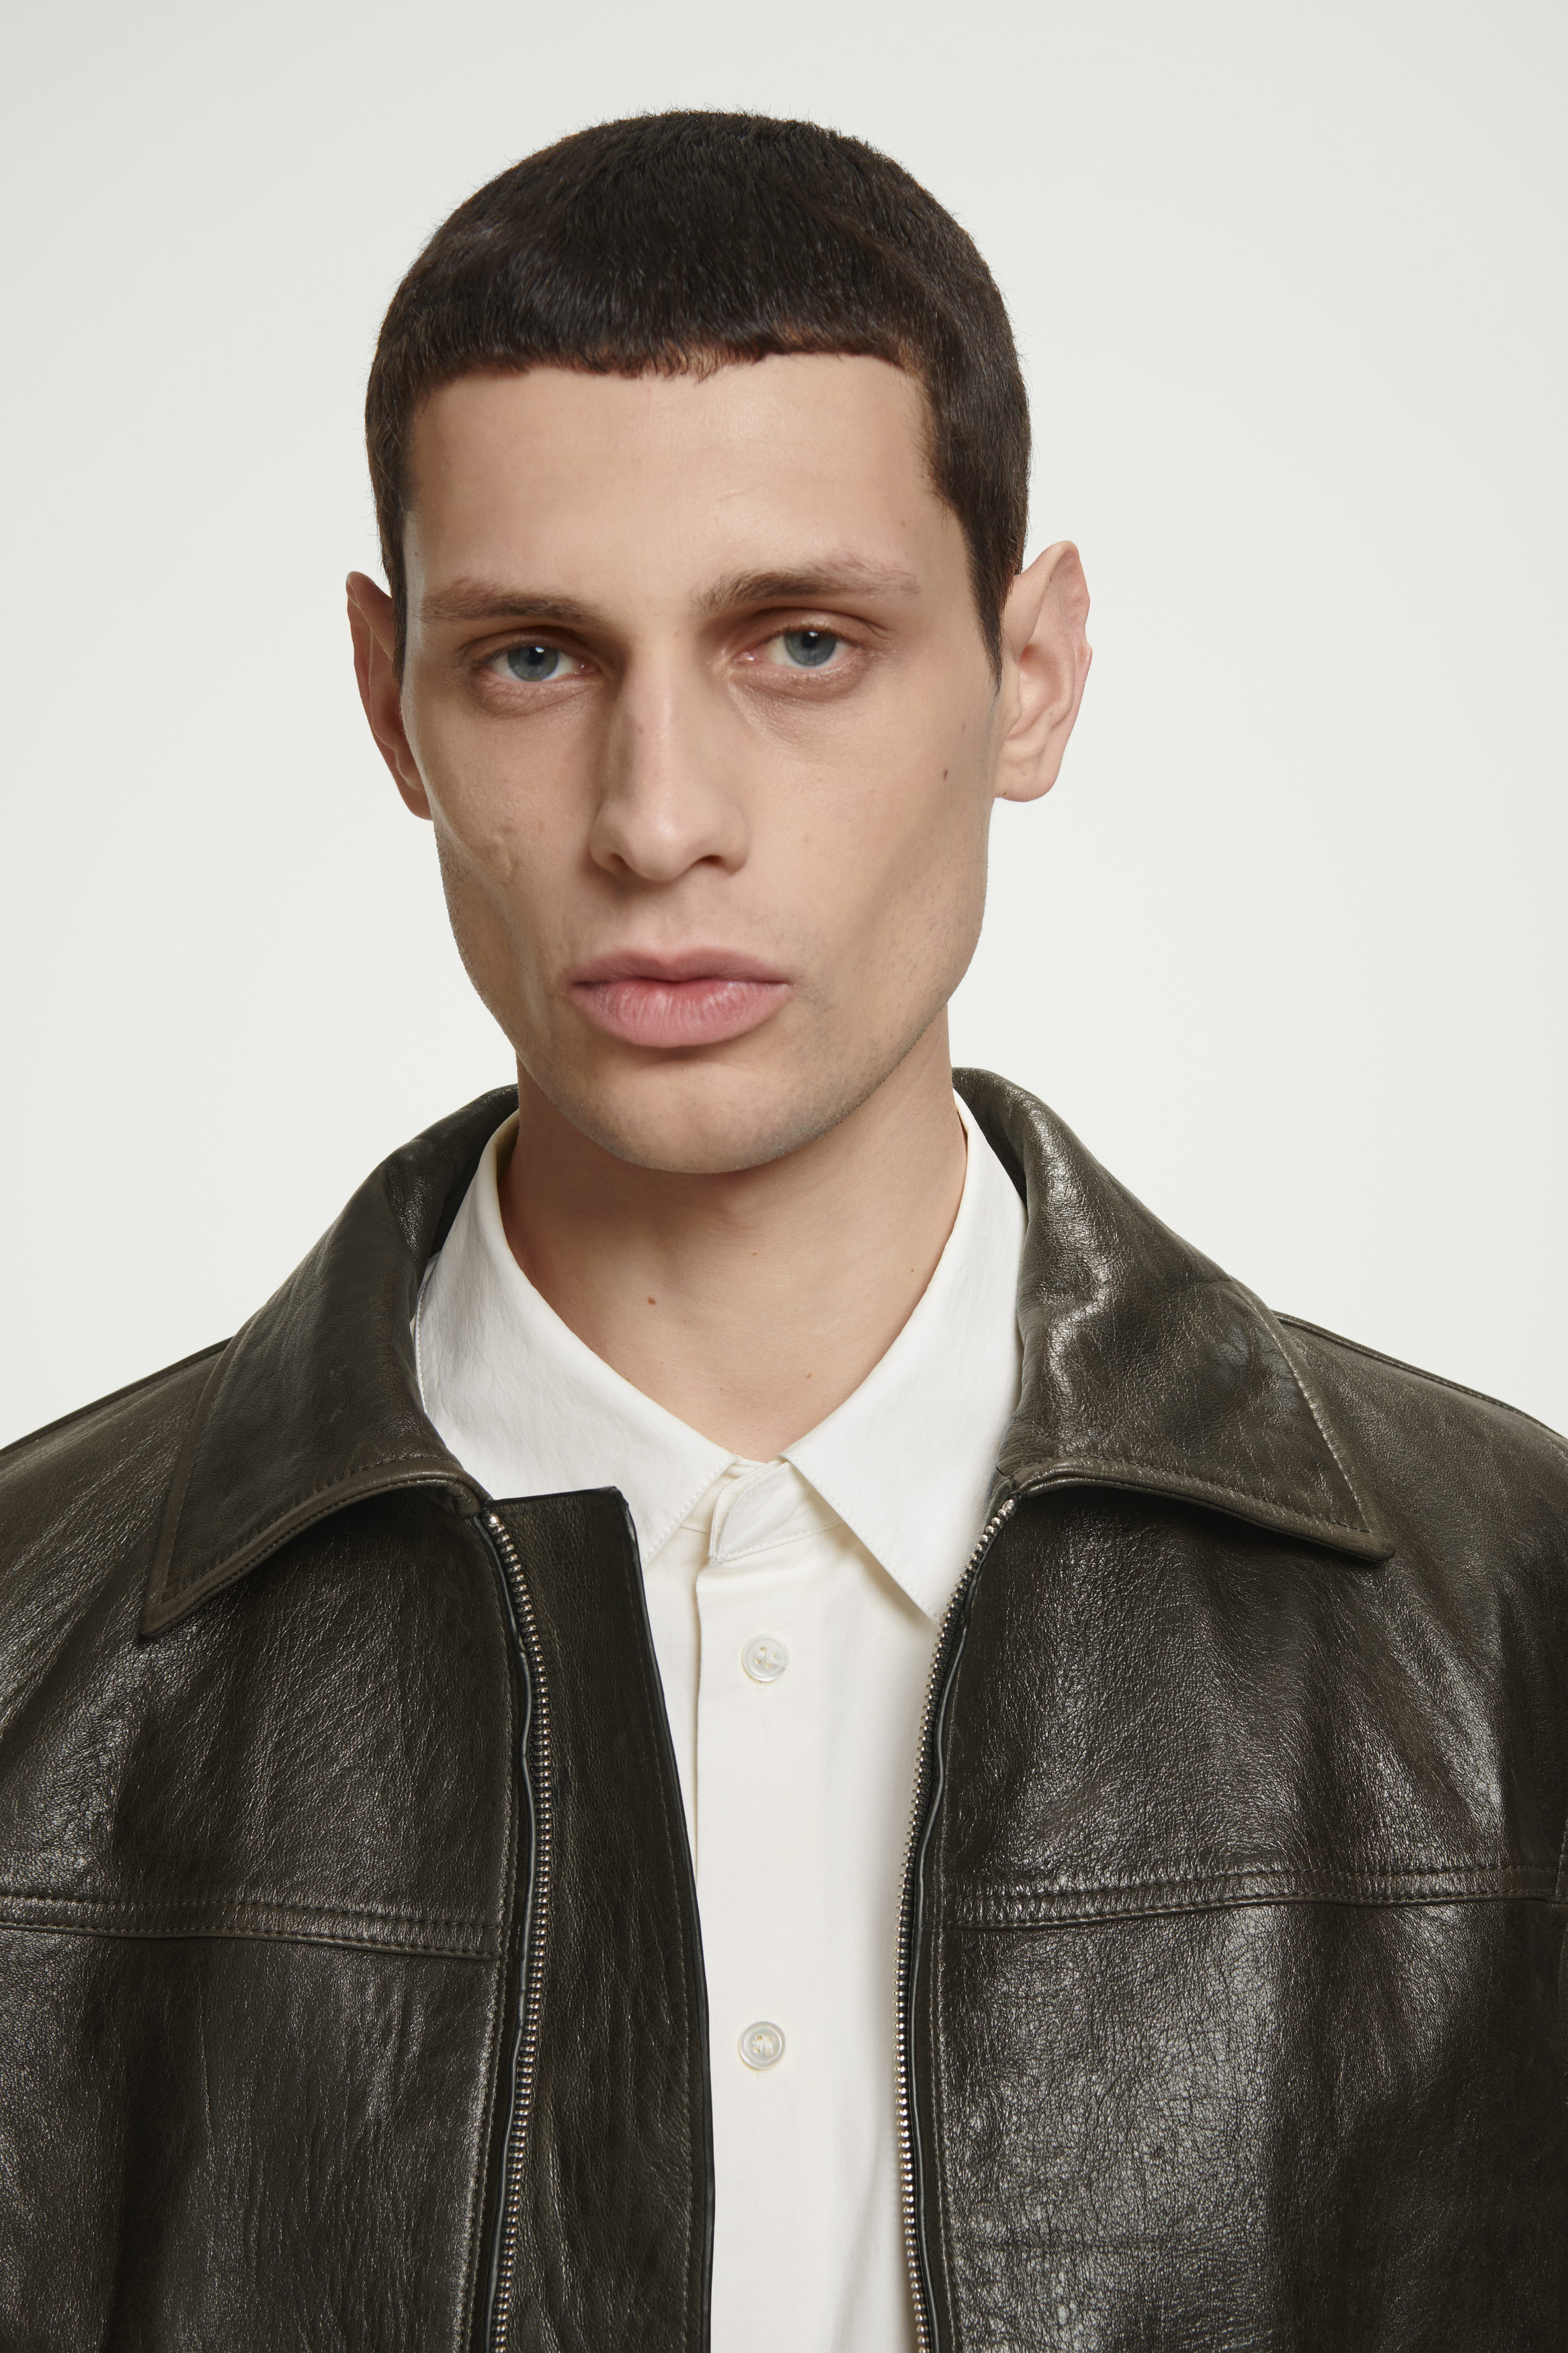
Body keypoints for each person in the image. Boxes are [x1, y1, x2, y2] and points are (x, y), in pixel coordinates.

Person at [0, 108, 1562, 2353]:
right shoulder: (35, 1666)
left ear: (1034, 671)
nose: (659, 819)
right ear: (388, 701)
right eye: (534, 659)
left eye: (803, 642)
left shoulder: (1512, 1642)